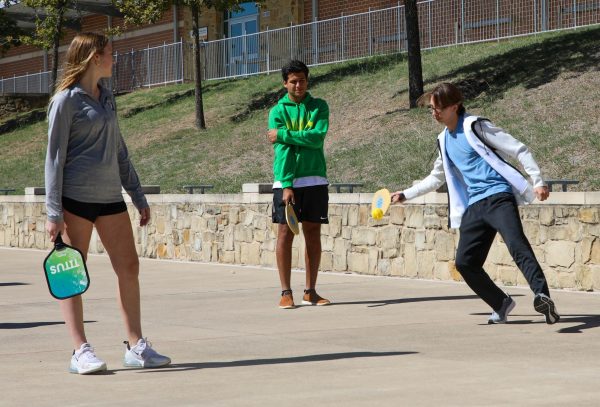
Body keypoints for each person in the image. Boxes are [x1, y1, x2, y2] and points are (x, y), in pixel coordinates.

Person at [45, 33, 171, 374]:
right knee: (72, 275)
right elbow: (54, 159)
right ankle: (79, 350)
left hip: (110, 197)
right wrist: (53, 212)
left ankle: (136, 346)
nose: (114, 59)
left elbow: (118, 149)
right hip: (75, 200)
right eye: (110, 54)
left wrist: (137, 194)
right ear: (92, 57)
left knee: (129, 267)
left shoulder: (107, 96)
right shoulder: (65, 101)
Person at [391, 82, 560, 325]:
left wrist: (538, 180)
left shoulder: (476, 126)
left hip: (499, 197)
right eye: (431, 108)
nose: (434, 113)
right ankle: (501, 303)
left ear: (455, 106)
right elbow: (436, 177)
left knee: (516, 244)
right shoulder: (444, 140)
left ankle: (542, 296)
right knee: (465, 263)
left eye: (439, 108)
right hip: (475, 205)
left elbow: (518, 149)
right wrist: (406, 194)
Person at [266, 60, 331, 309]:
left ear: (307, 80)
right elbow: (283, 152)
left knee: (313, 234)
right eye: (293, 81)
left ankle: (310, 291)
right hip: (287, 183)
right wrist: (286, 185)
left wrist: (283, 134)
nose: (298, 85)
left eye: (302, 80)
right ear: (285, 83)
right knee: (285, 234)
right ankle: (285, 292)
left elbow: (317, 138)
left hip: (316, 180)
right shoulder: (277, 112)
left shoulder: (319, 106)